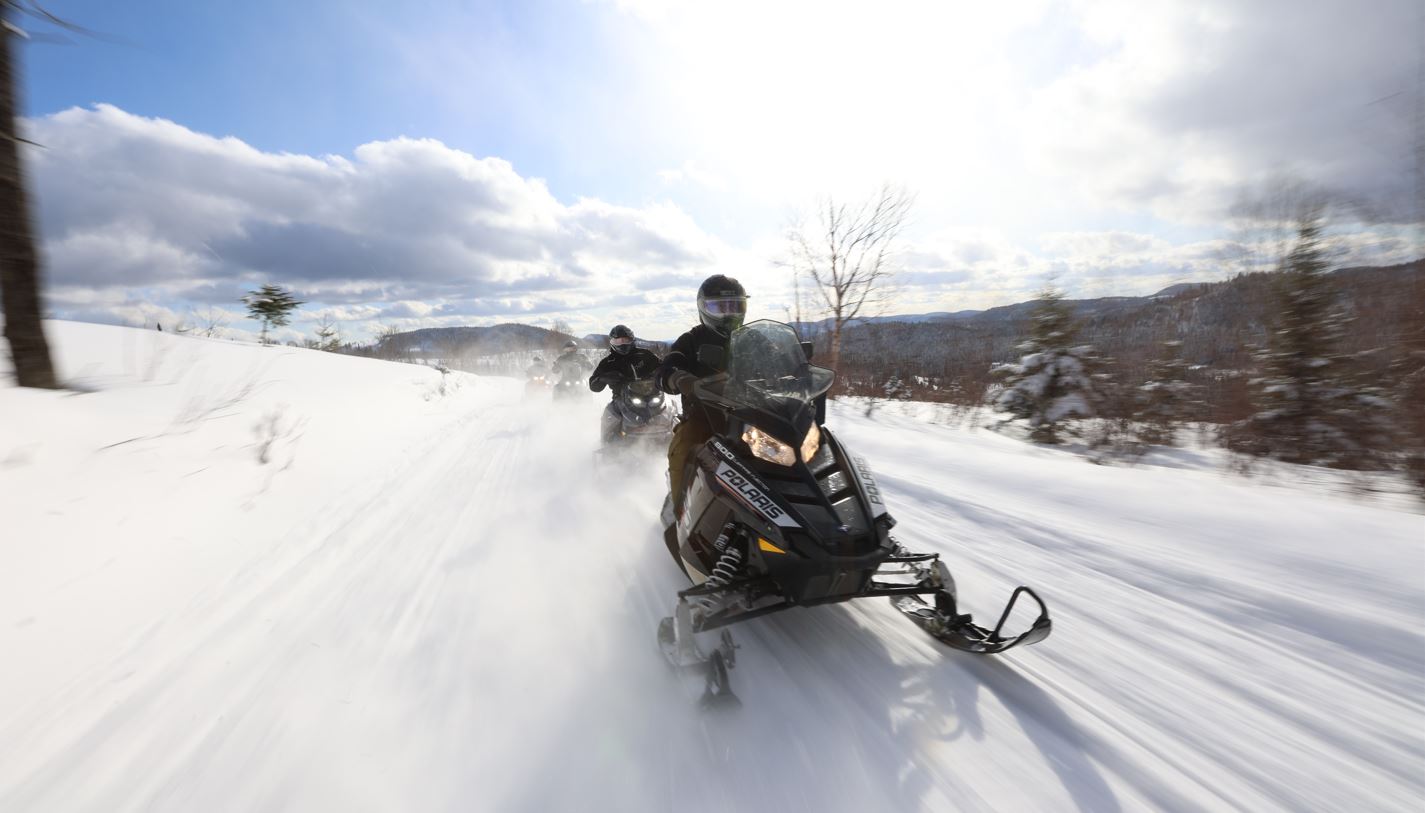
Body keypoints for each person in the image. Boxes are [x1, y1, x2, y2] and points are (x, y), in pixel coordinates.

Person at [655, 274, 748, 512]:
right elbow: (666, 369)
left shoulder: (754, 340)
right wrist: (678, 378)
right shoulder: (691, 340)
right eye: (719, 307)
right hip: (704, 417)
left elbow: (780, 362)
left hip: (754, 417)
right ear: (703, 309)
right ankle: (680, 511)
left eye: (734, 306)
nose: (728, 314)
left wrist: (797, 374)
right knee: (683, 447)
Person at [590, 325, 663, 444]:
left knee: (670, 408)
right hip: (621, 398)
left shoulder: (645, 355)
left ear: (631, 340)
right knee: (610, 414)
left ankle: (675, 436)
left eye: (625, 340)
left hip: (651, 394)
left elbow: (663, 366)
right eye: (617, 341)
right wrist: (603, 378)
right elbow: (593, 385)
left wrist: (661, 372)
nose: (621, 344)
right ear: (612, 342)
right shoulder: (608, 362)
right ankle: (607, 444)